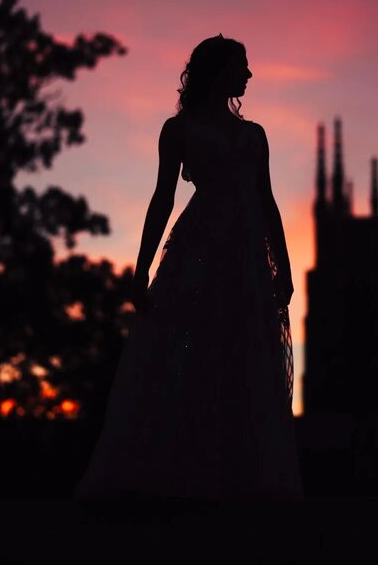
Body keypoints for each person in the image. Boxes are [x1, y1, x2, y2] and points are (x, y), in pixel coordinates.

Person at [74, 34, 303, 500]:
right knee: (185, 356)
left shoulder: (254, 135)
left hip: (245, 258)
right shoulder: (178, 130)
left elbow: (268, 201)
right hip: (197, 251)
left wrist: (284, 265)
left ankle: (238, 475)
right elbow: (163, 199)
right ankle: (177, 474)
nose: (249, 74)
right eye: (242, 65)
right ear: (218, 71)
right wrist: (141, 270)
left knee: (241, 358)